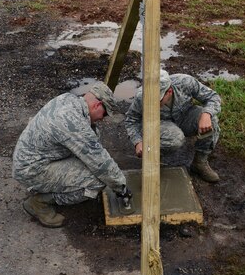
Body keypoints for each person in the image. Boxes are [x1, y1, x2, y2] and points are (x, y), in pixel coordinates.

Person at [12, 82, 131, 228]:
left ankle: (49, 185)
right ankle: (40, 202)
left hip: (31, 160)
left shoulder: (68, 100)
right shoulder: (72, 122)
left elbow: (91, 144)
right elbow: (101, 163)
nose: (103, 119)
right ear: (97, 105)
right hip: (32, 170)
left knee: (93, 142)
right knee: (97, 179)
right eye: (105, 114)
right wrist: (122, 188)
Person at [125, 70, 221, 183]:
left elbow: (213, 97)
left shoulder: (185, 82)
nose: (153, 103)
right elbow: (131, 120)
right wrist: (138, 142)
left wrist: (206, 114)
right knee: (175, 138)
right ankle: (154, 160)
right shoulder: (141, 96)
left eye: (158, 100)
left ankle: (199, 163)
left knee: (212, 120)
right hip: (160, 124)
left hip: (185, 116)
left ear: (169, 91)